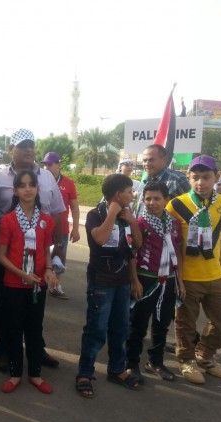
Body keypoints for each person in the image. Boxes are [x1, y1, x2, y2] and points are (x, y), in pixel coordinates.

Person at [0, 129, 65, 372]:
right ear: (11, 149)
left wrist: (58, 247)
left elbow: (56, 212)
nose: (29, 150)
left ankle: (35, 349)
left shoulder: (48, 178)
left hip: (39, 255)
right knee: (4, 306)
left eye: (31, 145)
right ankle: (3, 350)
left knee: (35, 306)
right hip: (7, 254)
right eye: (22, 145)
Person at [165, 155, 221, 385]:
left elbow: (220, 240)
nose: (201, 182)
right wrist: (177, 277)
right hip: (188, 276)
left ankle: (205, 355)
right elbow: (172, 244)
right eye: (195, 177)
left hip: (215, 274)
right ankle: (186, 360)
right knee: (186, 323)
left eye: (206, 177)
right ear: (188, 177)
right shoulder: (176, 205)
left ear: (216, 177)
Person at [75, 174, 142, 399]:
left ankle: (117, 369)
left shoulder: (127, 215)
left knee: (120, 329)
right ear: (117, 194)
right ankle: (85, 373)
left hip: (122, 283)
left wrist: (132, 221)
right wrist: (113, 213)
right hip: (101, 283)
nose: (132, 195)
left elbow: (136, 247)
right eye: (129, 192)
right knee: (96, 330)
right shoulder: (96, 214)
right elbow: (100, 239)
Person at [0, 170, 57, 395]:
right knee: (14, 329)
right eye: (22, 185)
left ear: (38, 189)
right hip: (14, 284)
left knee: (34, 328)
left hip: (37, 284)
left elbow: (46, 250)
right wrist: (22, 274)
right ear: (15, 191)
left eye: (31, 184)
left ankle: (35, 374)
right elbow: (1, 256)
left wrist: (49, 269)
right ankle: (15, 374)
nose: (28, 189)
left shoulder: (46, 221)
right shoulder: (8, 221)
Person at [126, 181, 184, 383]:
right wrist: (134, 281)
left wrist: (180, 281)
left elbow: (178, 252)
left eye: (157, 198)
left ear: (166, 200)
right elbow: (132, 254)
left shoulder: (174, 224)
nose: (152, 203)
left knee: (162, 324)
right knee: (138, 325)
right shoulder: (140, 223)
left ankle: (155, 362)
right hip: (145, 279)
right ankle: (131, 363)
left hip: (169, 281)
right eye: (148, 199)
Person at [41, 151, 80, 299]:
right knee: (40, 256)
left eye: (50, 164)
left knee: (59, 257)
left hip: (61, 229)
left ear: (59, 165)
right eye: (45, 165)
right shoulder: (41, 181)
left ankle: (55, 286)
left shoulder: (68, 183)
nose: (47, 168)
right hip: (43, 228)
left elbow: (74, 207)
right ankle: (38, 283)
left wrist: (76, 229)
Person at [134, 145, 191, 217]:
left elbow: (191, 207)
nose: (147, 164)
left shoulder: (178, 180)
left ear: (164, 160)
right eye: (145, 160)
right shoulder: (144, 181)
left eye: (151, 160)